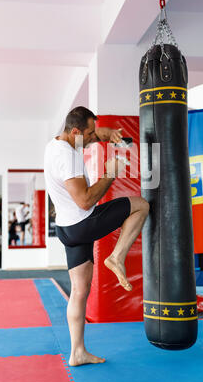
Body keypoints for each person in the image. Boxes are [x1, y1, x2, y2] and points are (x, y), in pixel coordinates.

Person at [44, 106, 149, 367]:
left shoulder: (57, 144)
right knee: (141, 205)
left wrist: (108, 133)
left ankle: (77, 352)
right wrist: (110, 172)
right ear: (76, 131)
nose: (94, 137)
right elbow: (85, 200)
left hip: (66, 229)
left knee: (79, 291)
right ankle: (116, 257)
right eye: (90, 133)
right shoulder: (67, 158)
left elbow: (93, 134)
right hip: (82, 222)